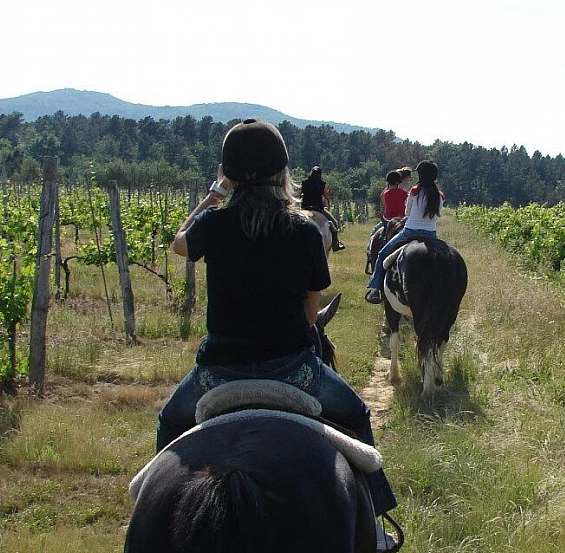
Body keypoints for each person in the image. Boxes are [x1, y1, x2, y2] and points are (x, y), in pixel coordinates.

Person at [160, 119, 398, 549]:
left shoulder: (213, 223)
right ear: (282, 173)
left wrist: (213, 195)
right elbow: (310, 315)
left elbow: (178, 242)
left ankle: (151, 520)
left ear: (230, 173)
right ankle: (379, 526)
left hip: (218, 373)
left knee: (168, 422)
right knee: (358, 415)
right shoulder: (305, 230)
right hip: (294, 371)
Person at [366, 160, 444, 304]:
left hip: (410, 231)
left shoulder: (414, 191)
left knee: (383, 254)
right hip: (431, 234)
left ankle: (375, 289)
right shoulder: (439, 195)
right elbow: (438, 214)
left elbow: (407, 212)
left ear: (420, 175)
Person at [300, 166, 346, 250]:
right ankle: (335, 243)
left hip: (305, 208)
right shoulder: (322, 183)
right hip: (318, 209)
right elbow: (325, 195)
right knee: (334, 223)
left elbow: (299, 194)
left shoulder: (305, 182)